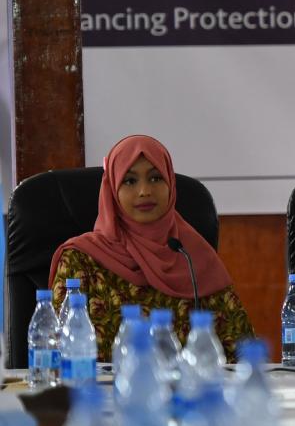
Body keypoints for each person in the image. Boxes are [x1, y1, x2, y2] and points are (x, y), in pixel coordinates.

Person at [49, 134, 254, 362]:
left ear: (170, 185)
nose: (144, 191)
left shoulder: (193, 255)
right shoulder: (80, 260)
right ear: (112, 191)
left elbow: (244, 354)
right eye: (130, 181)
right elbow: (56, 354)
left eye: (156, 178)